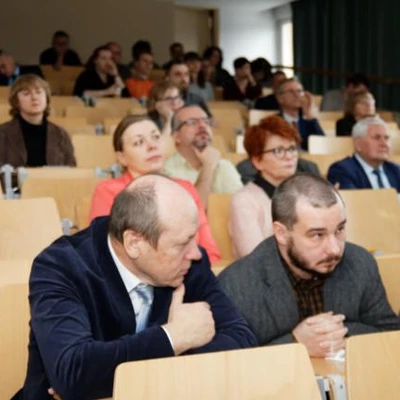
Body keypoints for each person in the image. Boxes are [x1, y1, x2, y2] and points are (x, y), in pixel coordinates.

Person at [18, 174, 256, 399]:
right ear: (133, 243)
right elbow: (73, 372)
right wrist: (173, 337)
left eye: (194, 237)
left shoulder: (189, 263)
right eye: (182, 243)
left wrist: (109, 378)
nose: (195, 252)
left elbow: (241, 339)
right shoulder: (61, 266)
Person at [219, 173, 400, 358]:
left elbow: (389, 333)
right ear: (281, 233)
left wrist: (341, 332)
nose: (334, 249)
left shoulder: (360, 262)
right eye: (317, 235)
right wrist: (295, 343)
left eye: (339, 229)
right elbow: (232, 366)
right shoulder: (237, 284)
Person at [89, 114, 221, 263]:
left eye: (156, 137)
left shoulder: (185, 188)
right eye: (139, 142)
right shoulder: (109, 192)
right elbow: (106, 255)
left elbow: (210, 252)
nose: (152, 146)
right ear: (122, 158)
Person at [230, 116, 301, 258]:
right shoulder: (244, 200)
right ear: (257, 161)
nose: (289, 156)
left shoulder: (302, 193)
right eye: (278, 151)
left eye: (292, 148)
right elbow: (254, 257)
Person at [164, 105, 243, 207]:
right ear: (176, 136)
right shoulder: (167, 171)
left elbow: (242, 209)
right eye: (192, 122)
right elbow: (192, 214)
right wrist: (208, 167)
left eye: (206, 121)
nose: (202, 125)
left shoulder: (224, 165)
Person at [0, 74, 76, 168]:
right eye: (26, 94)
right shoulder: (3, 133)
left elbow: (71, 168)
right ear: (16, 101)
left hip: (53, 182)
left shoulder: (60, 134)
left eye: (38, 92)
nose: (34, 98)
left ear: (46, 98)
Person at [327, 116, 400, 192]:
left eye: (386, 138)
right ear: (358, 144)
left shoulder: (396, 170)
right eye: (376, 138)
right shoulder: (342, 170)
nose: (384, 144)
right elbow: (354, 201)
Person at [276, 77, 324, 151]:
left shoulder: (308, 121)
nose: (297, 95)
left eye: (299, 91)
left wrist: (309, 115)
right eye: (291, 91)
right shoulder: (274, 122)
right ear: (280, 99)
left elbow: (321, 145)